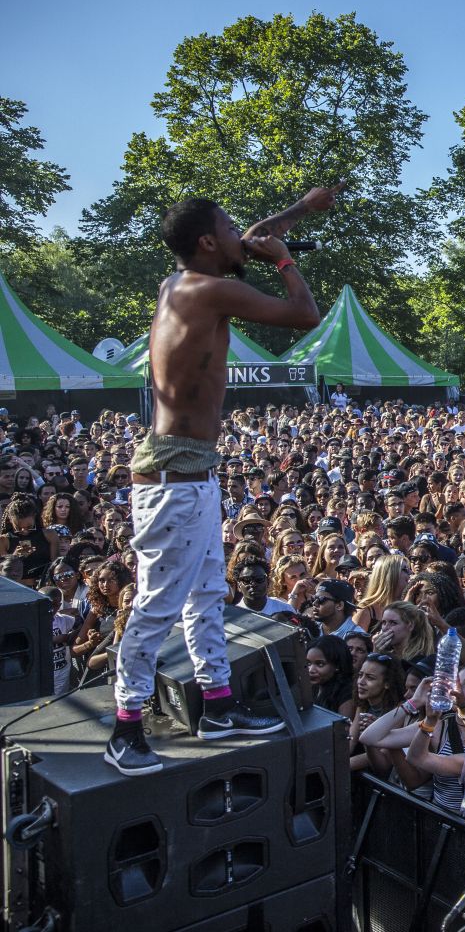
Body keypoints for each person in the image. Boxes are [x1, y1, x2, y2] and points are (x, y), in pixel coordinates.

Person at [108, 183, 342, 776]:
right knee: (158, 606)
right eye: (231, 228)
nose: (245, 235)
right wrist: (283, 259)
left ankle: (216, 705)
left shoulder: (184, 282)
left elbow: (246, 238)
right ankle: (125, 727)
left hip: (190, 474)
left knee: (207, 594)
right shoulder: (209, 291)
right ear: (209, 243)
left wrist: (300, 209)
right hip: (174, 477)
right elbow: (304, 314)